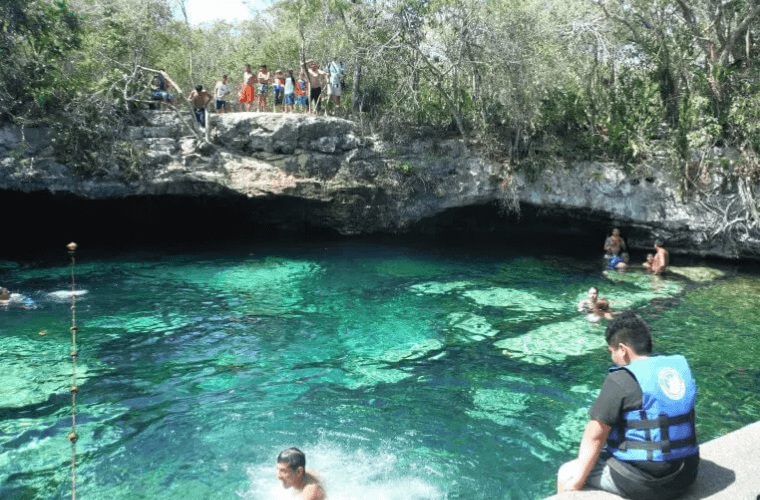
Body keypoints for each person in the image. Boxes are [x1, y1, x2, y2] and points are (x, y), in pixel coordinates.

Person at [557, 310, 699, 499]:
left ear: (622, 349)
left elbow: (595, 437)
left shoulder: (621, 378)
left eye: (612, 351)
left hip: (650, 482)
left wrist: (576, 483)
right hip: (687, 472)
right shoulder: (676, 368)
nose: (612, 357)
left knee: (567, 471)